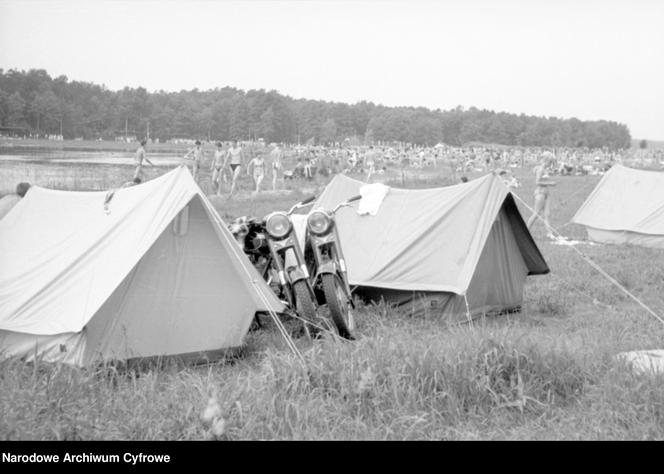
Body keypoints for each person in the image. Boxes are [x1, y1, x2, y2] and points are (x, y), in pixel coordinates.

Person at [526, 152, 557, 238]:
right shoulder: (540, 169)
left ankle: (549, 233)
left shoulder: (545, 170)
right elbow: (537, 182)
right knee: (536, 213)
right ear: (546, 161)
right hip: (540, 193)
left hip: (546, 193)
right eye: (550, 162)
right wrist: (550, 183)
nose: (550, 165)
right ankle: (526, 230)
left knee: (547, 214)